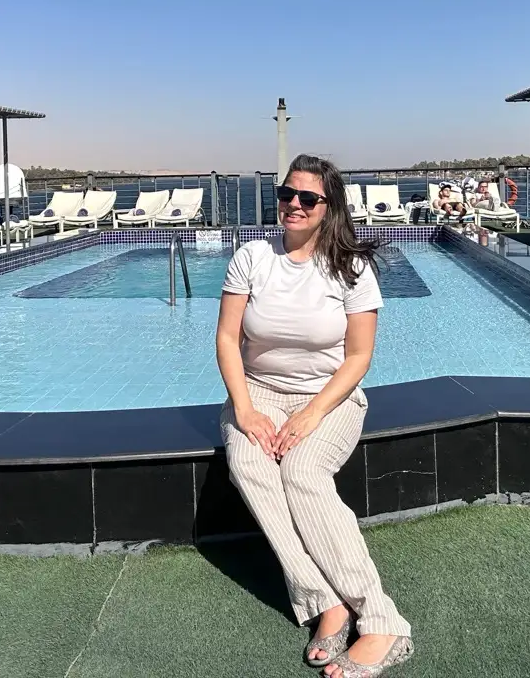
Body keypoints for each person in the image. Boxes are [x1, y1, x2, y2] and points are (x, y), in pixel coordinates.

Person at [216, 153, 414, 677]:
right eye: (287, 195)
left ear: (329, 207)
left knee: (303, 472)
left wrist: (309, 415)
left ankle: (380, 617)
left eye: (308, 198)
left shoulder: (351, 267)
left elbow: (358, 359)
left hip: (330, 398)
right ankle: (324, 601)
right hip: (257, 394)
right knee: (252, 467)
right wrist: (245, 409)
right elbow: (227, 339)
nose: (294, 205)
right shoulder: (253, 257)